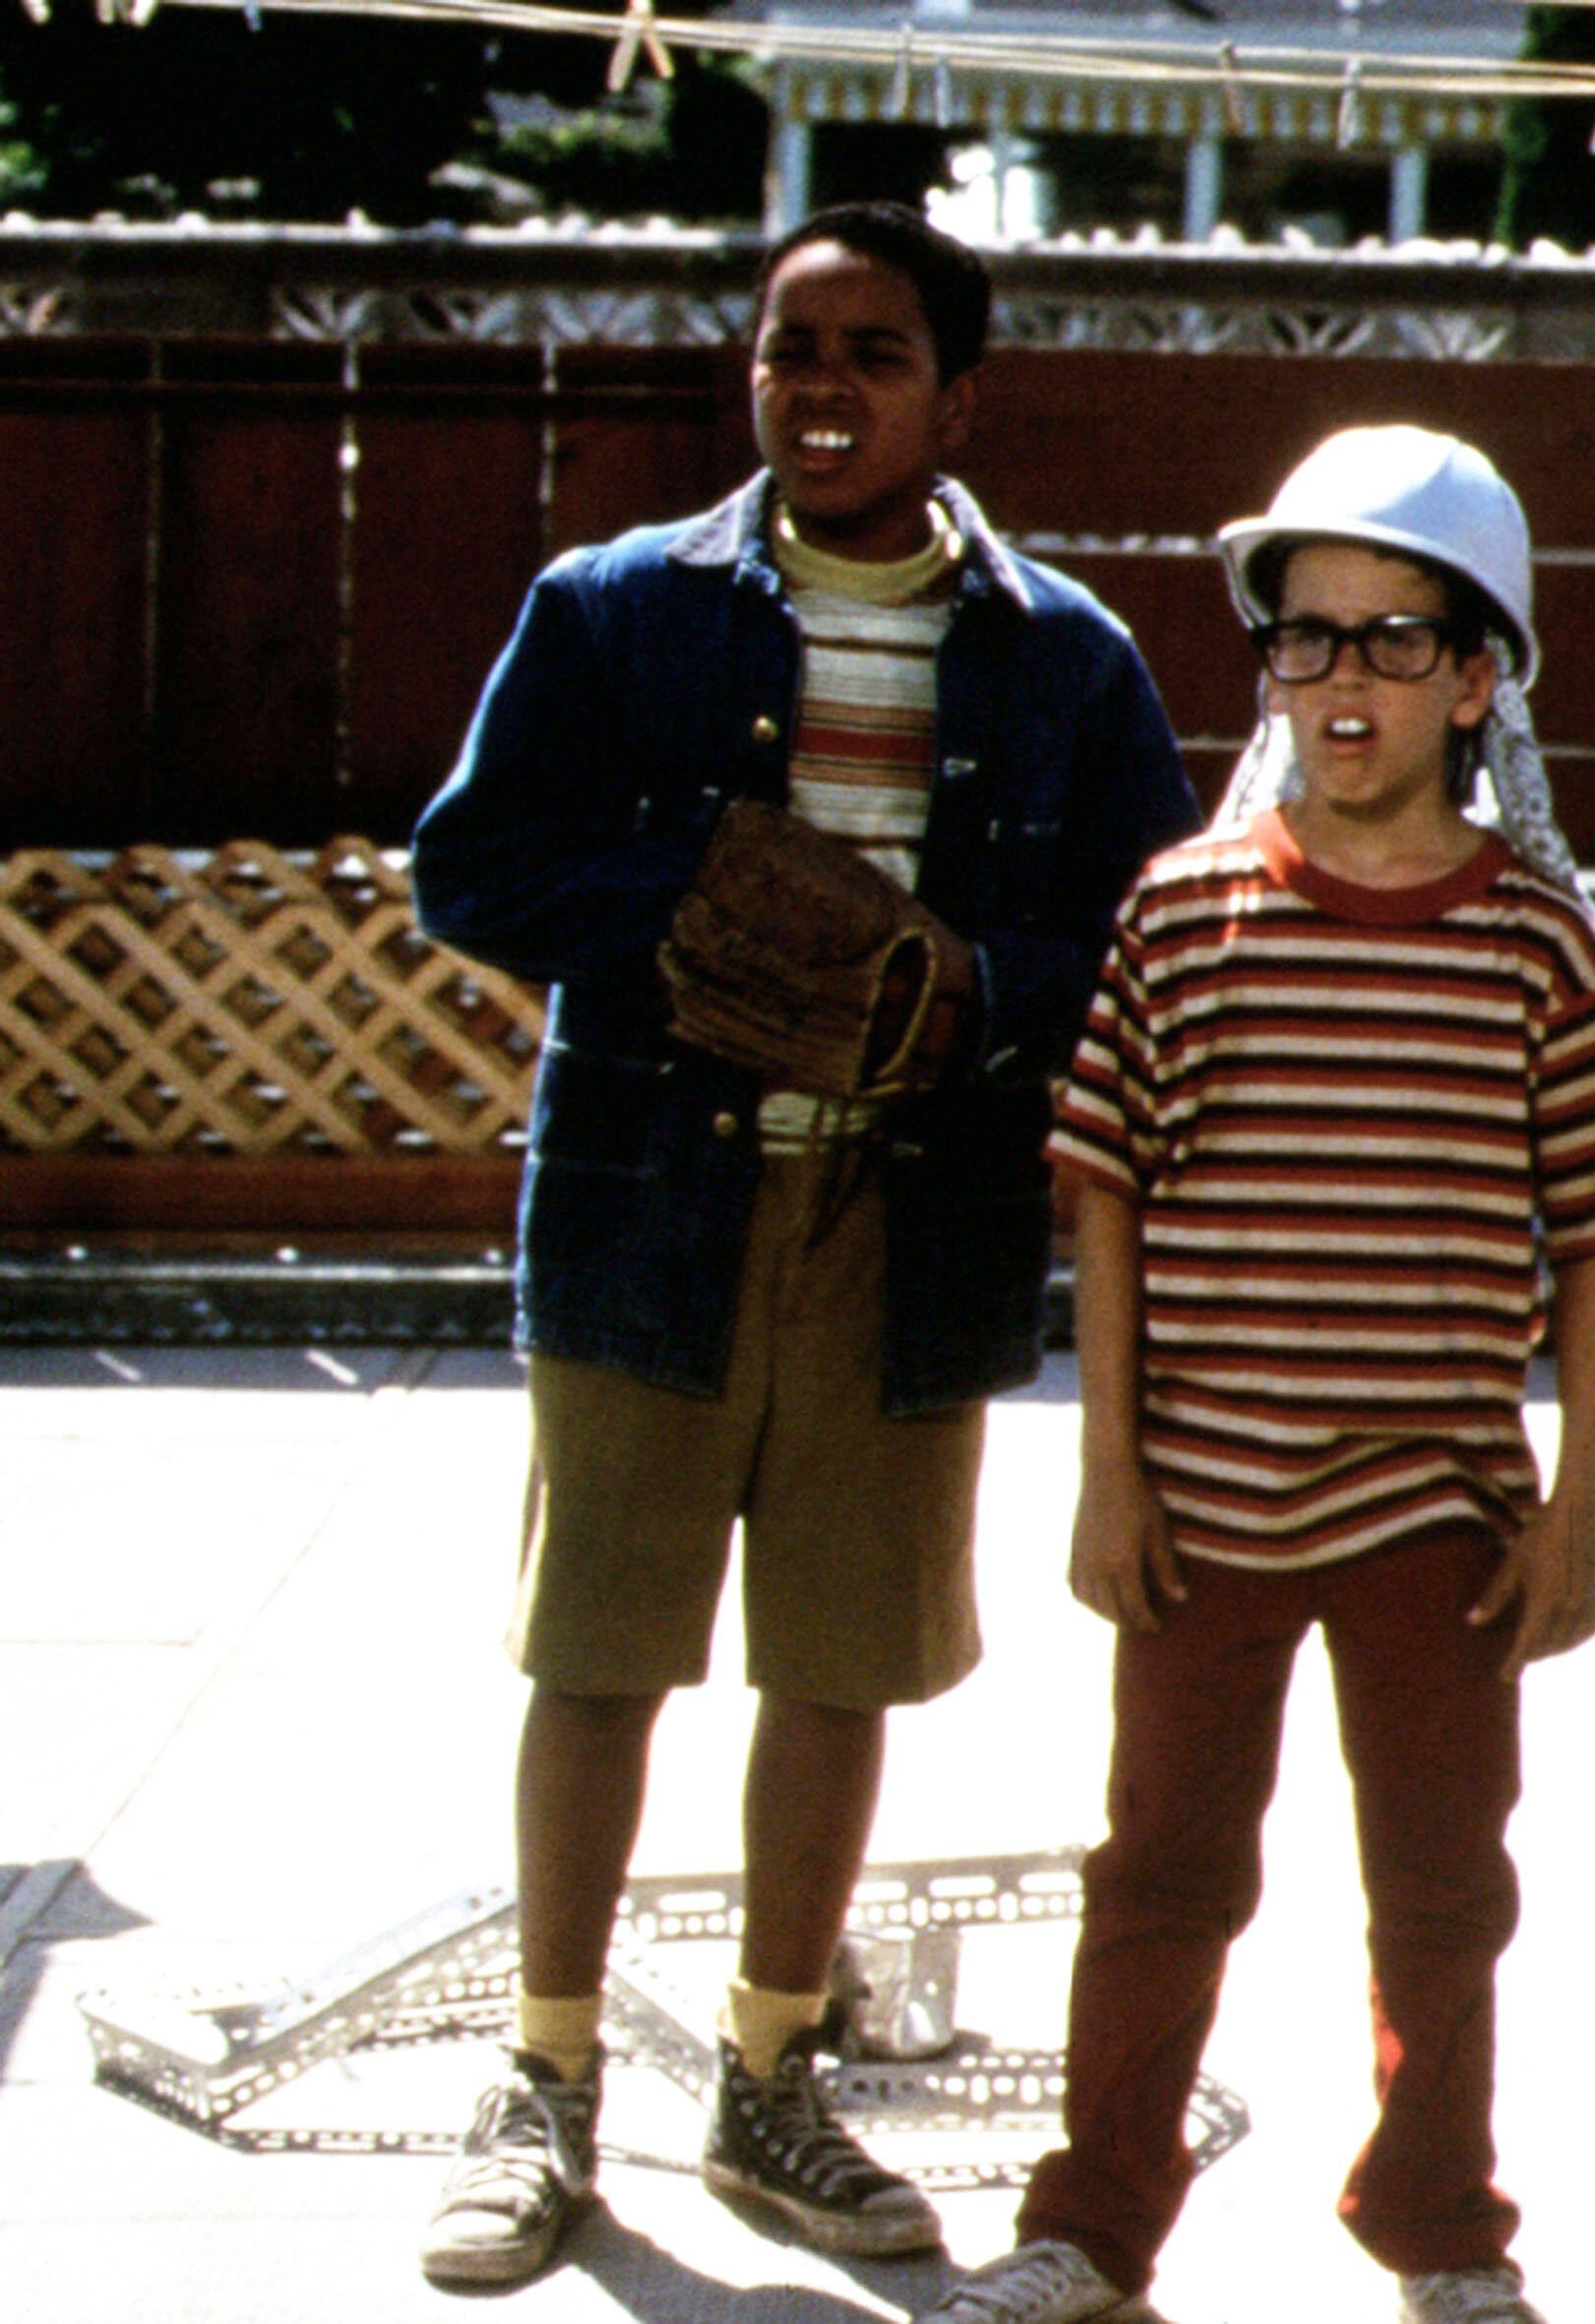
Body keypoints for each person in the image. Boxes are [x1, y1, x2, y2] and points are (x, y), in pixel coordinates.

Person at [407, 203, 1194, 2289]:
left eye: (867, 354)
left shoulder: (1065, 654)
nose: (817, 388)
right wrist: (701, 913)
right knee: (598, 1649)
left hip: (906, 1209)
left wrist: (956, 985)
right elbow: (467, 865)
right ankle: (546, 2079)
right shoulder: (615, 611)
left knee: (836, 1663)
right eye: (785, 350)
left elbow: (1138, 936)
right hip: (654, 1191)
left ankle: (773, 2073)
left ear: (960, 394)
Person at [919, 425, 1595, 2324]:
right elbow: (1101, 1193)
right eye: (1308, 638)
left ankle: (1442, 2223)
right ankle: (1094, 2223)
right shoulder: (1186, 910)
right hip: (1201, 1503)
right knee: (1162, 1877)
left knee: (1443, 1896)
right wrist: (1105, 1473)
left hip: (1437, 1513)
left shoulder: (1533, 944)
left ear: (1477, 675)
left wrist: (1578, 1504)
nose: (1344, 681)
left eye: (1392, 640)